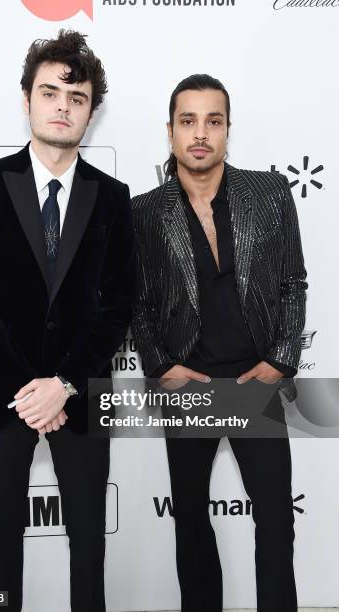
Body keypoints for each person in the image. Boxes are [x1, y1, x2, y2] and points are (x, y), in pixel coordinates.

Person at [0, 29, 135, 612]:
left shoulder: (113, 197)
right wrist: (28, 391)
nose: (63, 105)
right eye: (51, 92)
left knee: (89, 548)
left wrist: (62, 386)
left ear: (90, 112)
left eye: (77, 97)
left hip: (79, 397)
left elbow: (117, 307)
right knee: (1, 546)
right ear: (27, 99)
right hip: (0, 393)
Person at [131, 74, 307, 612]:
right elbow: (137, 302)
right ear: (170, 132)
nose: (200, 134)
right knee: (190, 522)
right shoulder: (143, 211)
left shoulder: (270, 193)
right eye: (188, 121)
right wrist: (162, 366)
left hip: (256, 385)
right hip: (189, 386)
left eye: (213, 121)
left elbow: (292, 282)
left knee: (276, 520)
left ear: (228, 129)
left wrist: (281, 359)